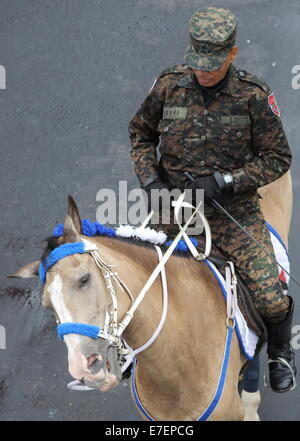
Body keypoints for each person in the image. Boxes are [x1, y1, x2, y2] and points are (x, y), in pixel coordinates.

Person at [128, 7, 296, 393]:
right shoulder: (168, 85)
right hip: (174, 210)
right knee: (135, 282)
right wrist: (152, 181)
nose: (203, 71)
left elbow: (277, 158)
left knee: (271, 296)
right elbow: (140, 134)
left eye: (213, 64)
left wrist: (227, 181)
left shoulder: (254, 96)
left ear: (232, 55)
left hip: (231, 211)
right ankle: (127, 356)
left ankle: (280, 354)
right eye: (198, 62)